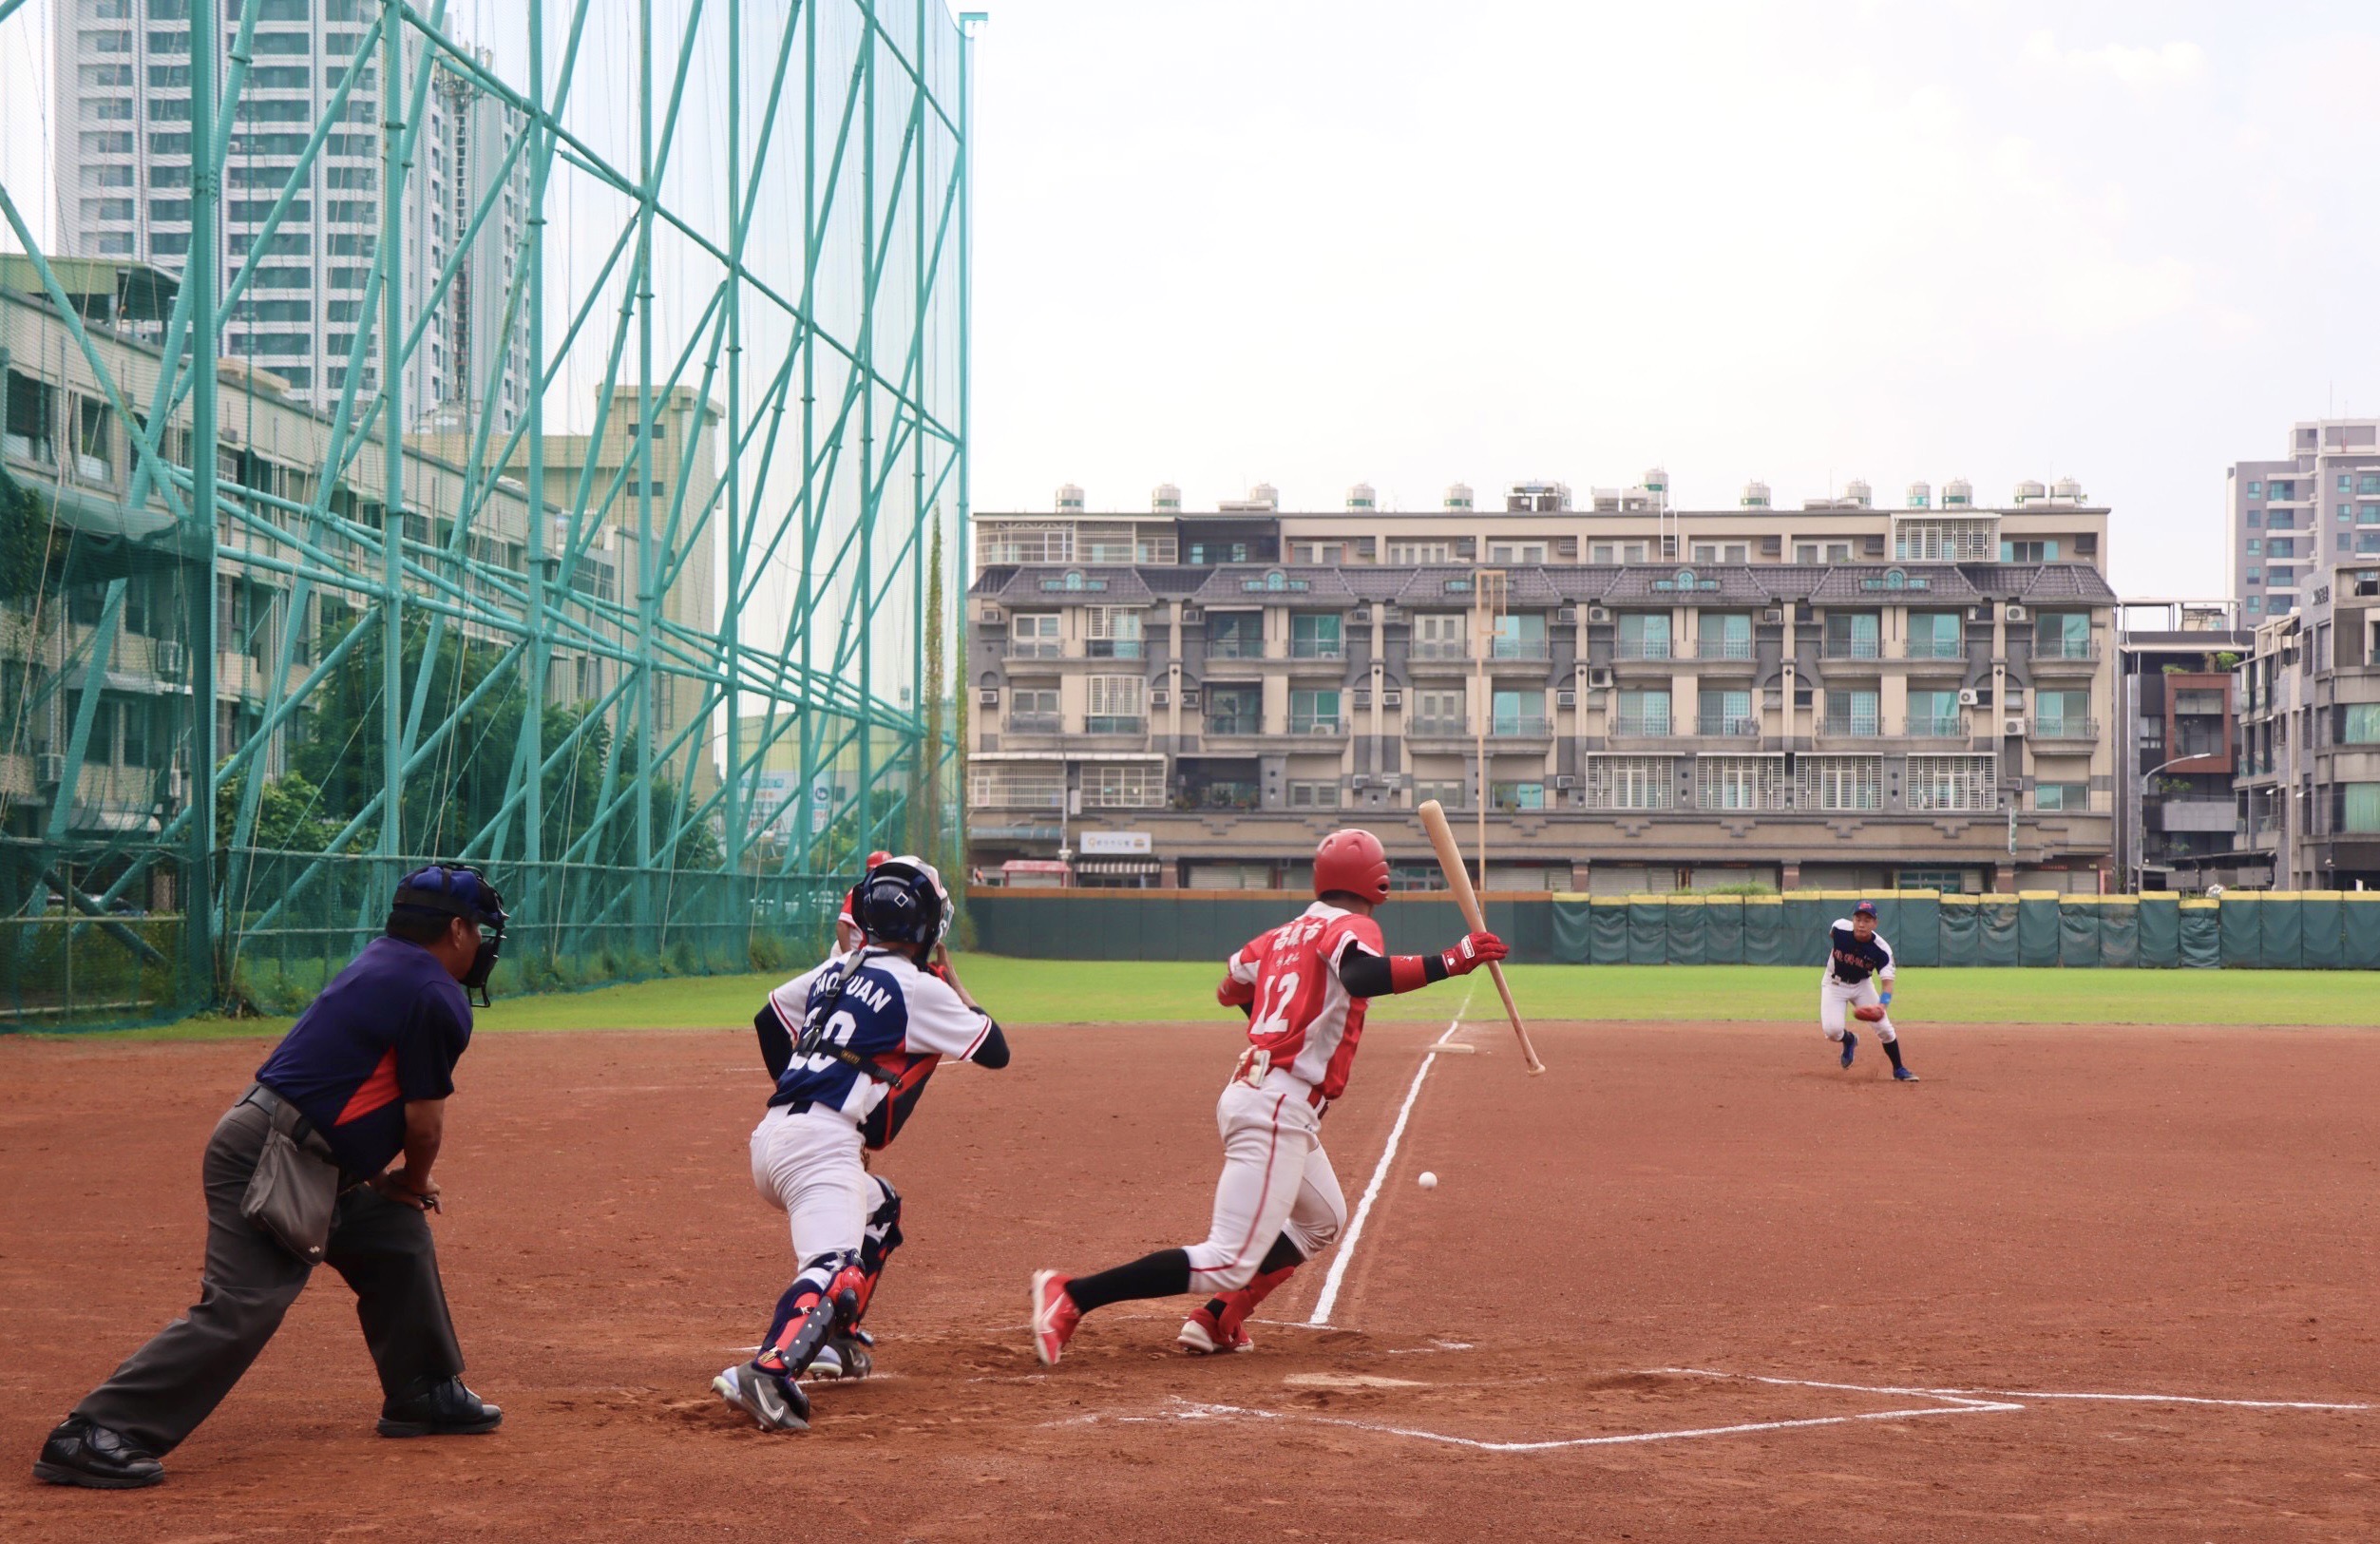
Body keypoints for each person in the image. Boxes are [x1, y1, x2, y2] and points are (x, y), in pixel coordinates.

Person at [35, 865, 509, 1490]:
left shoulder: (386, 960)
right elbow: (423, 1123)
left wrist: (388, 1187)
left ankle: (424, 1389)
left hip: (311, 1156)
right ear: (454, 928)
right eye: (477, 928)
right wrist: (414, 1179)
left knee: (393, 1235)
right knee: (245, 1304)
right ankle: (96, 1430)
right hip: (277, 1154)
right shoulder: (434, 992)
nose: (481, 943)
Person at [1029, 829, 1507, 1364]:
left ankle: (1217, 1319)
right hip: (1276, 1106)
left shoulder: (1282, 935)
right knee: (1228, 1258)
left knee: (1322, 1219)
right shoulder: (1354, 926)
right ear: (1377, 880)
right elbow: (1360, 974)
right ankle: (1072, 1296)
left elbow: (1230, 986)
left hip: (1265, 1097)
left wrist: (1279, 1024)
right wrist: (1452, 959)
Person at [714, 855, 1010, 1432]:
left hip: (775, 1136)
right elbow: (995, 1048)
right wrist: (954, 984)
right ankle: (769, 1369)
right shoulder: (918, 987)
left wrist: (810, 1080)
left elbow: (769, 1018)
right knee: (835, 1266)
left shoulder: (835, 970)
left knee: (879, 1206)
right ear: (926, 925)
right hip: (819, 1146)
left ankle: (830, 1339)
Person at [1821, 900, 1917, 1082]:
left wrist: (1882, 1006)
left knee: (1885, 1029)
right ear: (1853, 920)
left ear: (1875, 923)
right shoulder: (1839, 928)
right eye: (1858, 919)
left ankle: (1898, 1069)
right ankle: (1849, 1040)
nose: (1862, 924)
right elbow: (1832, 933)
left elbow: (1887, 983)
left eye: (1867, 920)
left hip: (1861, 985)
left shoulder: (1882, 950)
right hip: (1834, 983)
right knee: (1832, 1031)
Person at [833, 850, 894, 955]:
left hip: (863, 952)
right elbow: (842, 924)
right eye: (879, 870)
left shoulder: (886, 893)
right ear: (869, 871)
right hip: (847, 950)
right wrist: (847, 956)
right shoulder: (861, 892)